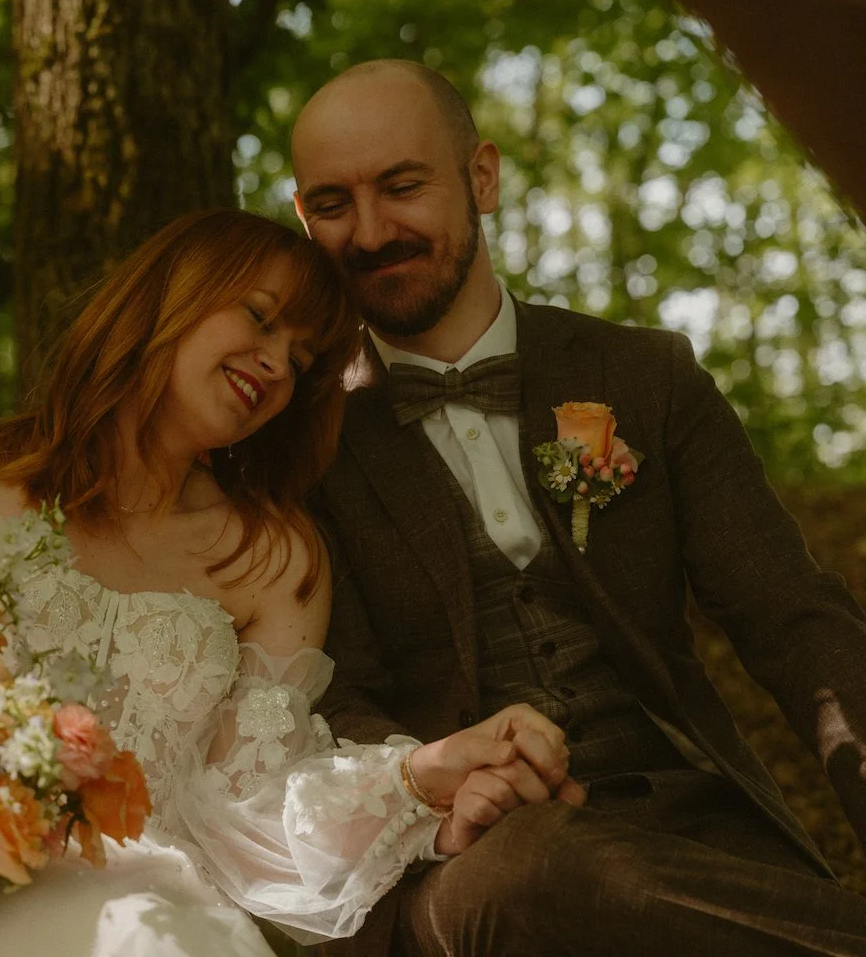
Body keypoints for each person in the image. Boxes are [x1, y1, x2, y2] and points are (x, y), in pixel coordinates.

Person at [0, 208, 583, 957]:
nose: (277, 364)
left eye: (302, 357)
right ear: (166, 298)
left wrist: (421, 776)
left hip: (141, 909)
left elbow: (250, 817)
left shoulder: (271, 557)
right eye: (258, 317)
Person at [291, 58, 866, 956]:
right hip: (464, 858)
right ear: (302, 218)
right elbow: (334, 700)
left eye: (402, 187)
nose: (370, 233)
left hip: (690, 817)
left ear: (481, 177)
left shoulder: (646, 376)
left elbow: (793, 620)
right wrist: (434, 784)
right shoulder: (303, 443)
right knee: (549, 870)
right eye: (332, 205)